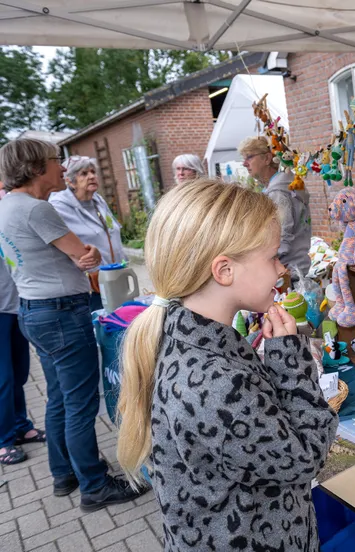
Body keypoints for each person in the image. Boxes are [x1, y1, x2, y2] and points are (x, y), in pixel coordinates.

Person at [116, 179, 337, 551]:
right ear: (224, 271)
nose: (281, 269)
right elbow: (305, 458)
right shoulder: (214, 383)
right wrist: (290, 358)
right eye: (271, 256)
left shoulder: (189, 336)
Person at [0, 138, 146, 510]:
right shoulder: (36, 210)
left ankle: (64, 472)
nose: (62, 167)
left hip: (33, 310)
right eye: (55, 160)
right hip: (62, 312)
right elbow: (85, 254)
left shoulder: (7, 206)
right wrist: (91, 254)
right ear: (36, 168)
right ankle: (94, 485)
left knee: (60, 397)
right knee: (81, 403)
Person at [50, 156, 126, 312]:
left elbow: (112, 231)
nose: (91, 176)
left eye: (93, 172)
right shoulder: (58, 207)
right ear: (69, 181)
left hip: (116, 275)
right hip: (91, 285)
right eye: (83, 174)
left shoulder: (98, 201)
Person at [0, 234, 45, 465]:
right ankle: (3, 441)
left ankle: (20, 426)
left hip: (16, 305)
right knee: (3, 379)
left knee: (19, 373)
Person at [239, 136, 312, 278]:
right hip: (294, 267)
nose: (244, 164)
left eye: (249, 157)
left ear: (267, 159)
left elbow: (280, 235)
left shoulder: (278, 193)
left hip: (286, 271)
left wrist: (258, 260)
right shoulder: (283, 187)